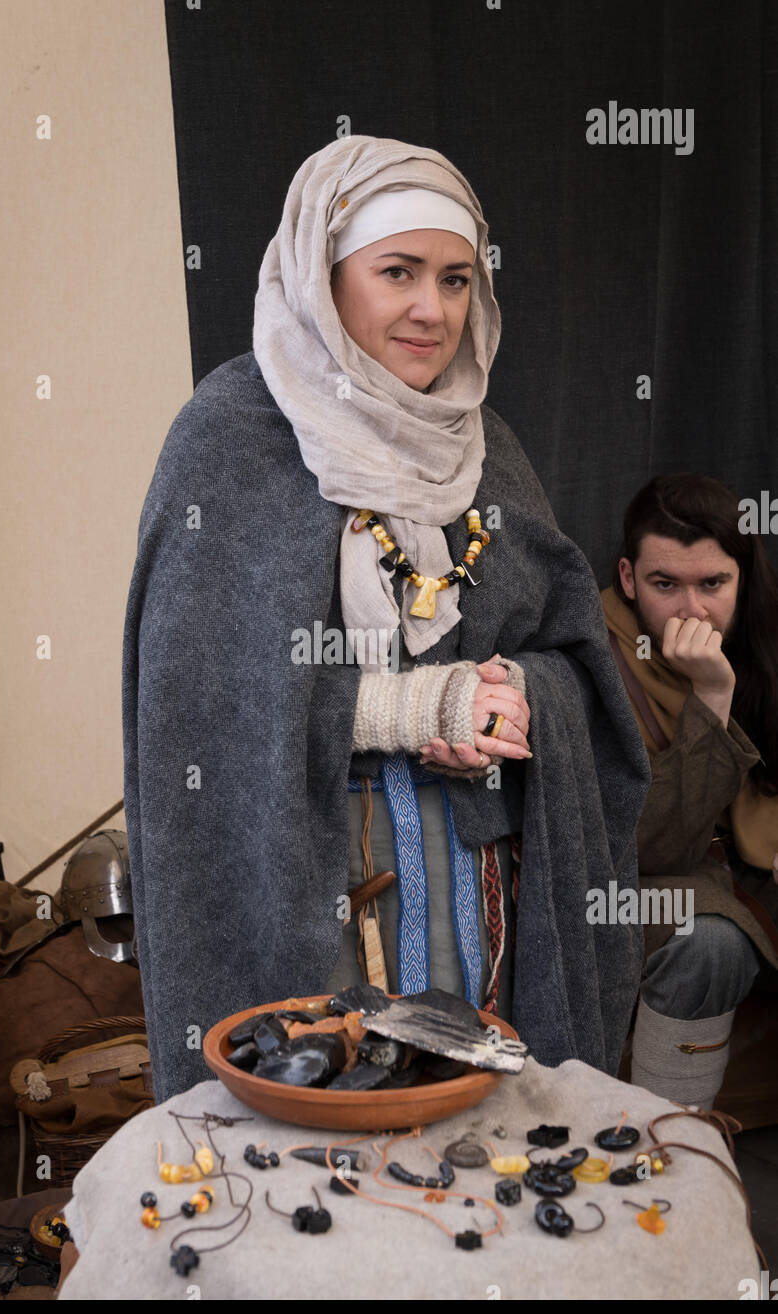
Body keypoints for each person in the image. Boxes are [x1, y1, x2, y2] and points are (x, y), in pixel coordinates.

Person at [122, 134, 650, 1103]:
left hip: (483, 895)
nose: (429, 308)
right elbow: (204, 702)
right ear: (323, 279)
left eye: (454, 280)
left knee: (476, 1136)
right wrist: (412, 713)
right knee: (323, 1149)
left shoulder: (484, 447)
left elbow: (574, 656)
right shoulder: (231, 438)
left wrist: (522, 697)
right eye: (396, 272)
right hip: (314, 887)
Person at [602, 473, 778, 1109]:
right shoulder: (596, 658)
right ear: (628, 579)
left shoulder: (762, 639)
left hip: (743, 868)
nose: (693, 611)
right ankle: (667, 1142)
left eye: (713, 584)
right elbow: (655, 846)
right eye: (664, 585)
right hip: (632, 886)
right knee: (706, 940)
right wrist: (710, 695)